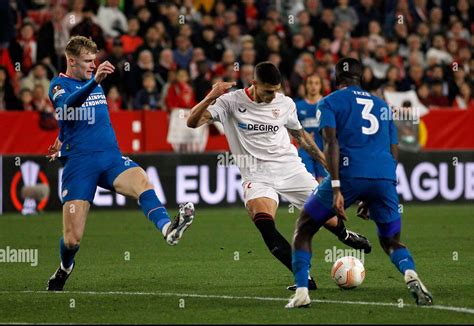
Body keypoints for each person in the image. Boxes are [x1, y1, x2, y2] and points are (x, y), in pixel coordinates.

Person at [187, 61, 371, 291]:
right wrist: (210, 97)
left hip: (290, 168)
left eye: (276, 90)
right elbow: (192, 122)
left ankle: (345, 236)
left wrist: (328, 167)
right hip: (257, 176)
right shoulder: (230, 102)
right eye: (268, 91)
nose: (273, 96)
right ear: (254, 84)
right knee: (265, 225)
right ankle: (303, 276)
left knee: (325, 216)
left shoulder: (285, 103)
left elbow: (301, 136)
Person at [46, 36, 194, 291]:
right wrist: (94, 82)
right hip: (80, 164)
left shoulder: (94, 83)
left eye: (95, 60)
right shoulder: (60, 85)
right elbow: (67, 108)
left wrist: (60, 137)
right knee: (72, 240)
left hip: (110, 157)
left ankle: (168, 228)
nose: (93, 65)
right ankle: (65, 268)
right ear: (71, 61)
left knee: (142, 181)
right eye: (87, 61)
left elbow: (81, 119)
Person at [286, 57, 432, 308]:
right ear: (361, 78)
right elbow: (393, 148)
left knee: (305, 228)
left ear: (335, 79)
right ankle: (410, 273)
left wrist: (336, 188)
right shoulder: (383, 105)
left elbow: (331, 143)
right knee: (391, 240)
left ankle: (301, 292)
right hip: (384, 176)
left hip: (350, 174)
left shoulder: (329, 102)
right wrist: (378, 187)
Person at [295, 73, 327, 181]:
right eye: (310, 83)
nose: (313, 86)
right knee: (308, 182)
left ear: (321, 86)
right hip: (305, 149)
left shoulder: (326, 104)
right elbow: (291, 129)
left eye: (316, 83)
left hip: (323, 148)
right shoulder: (297, 106)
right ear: (305, 85)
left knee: (322, 182)